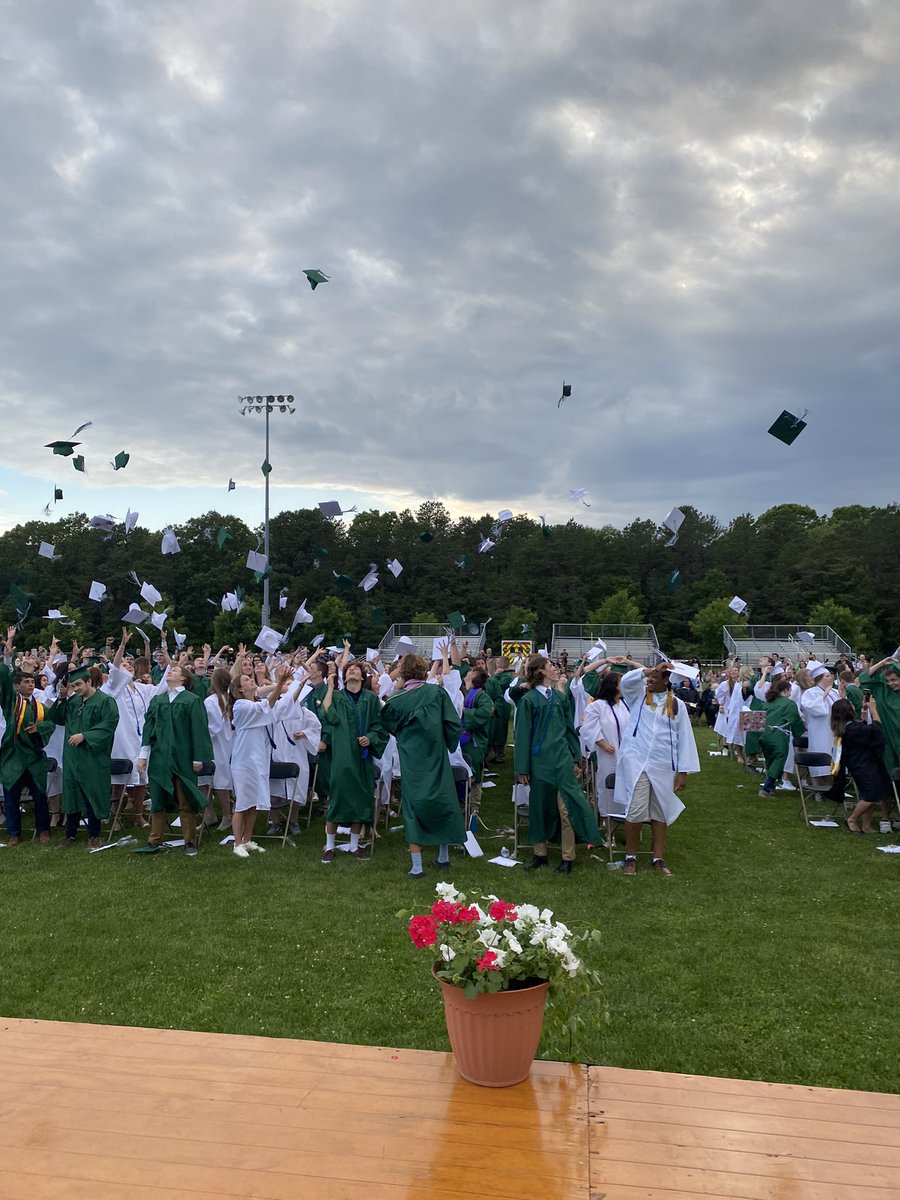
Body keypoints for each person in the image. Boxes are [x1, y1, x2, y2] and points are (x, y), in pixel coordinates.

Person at [612, 660, 700, 875]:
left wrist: (683, 771)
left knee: (660, 812)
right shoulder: (639, 697)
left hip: (663, 765)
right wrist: (648, 671)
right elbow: (626, 682)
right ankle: (630, 857)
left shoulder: (676, 705)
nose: (649, 681)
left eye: (654, 678)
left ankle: (658, 858)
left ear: (667, 681)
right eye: (649, 678)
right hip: (638, 763)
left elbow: (684, 739)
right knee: (635, 810)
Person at [514, 654, 599, 875]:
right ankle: (539, 854)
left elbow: (570, 731)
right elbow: (522, 735)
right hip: (539, 762)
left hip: (562, 760)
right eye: (551, 665)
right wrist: (522, 768)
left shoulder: (561, 699)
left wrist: (575, 758)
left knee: (567, 808)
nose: (556, 668)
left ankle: (568, 856)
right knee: (540, 807)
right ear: (541, 671)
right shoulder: (529, 700)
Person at [381, 653, 464, 878]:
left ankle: (417, 866)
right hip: (435, 756)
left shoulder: (395, 702)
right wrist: (444, 742)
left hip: (411, 759)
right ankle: (443, 855)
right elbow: (453, 724)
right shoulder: (437, 693)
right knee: (442, 800)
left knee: (412, 806)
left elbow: (390, 726)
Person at [137, 662, 213, 856]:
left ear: (184, 679)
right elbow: (149, 729)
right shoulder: (157, 700)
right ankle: (155, 840)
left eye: (176, 671)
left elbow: (199, 730)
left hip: (183, 758)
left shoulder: (192, 700)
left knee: (185, 798)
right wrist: (143, 755)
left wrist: (198, 759)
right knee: (157, 798)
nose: (171, 672)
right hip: (160, 758)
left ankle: (189, 841)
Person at [227, 660, 299, 858]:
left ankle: (248, 840)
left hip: (258, 760)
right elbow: (271, 703)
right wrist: (279, 683)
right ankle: (237, 843)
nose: (251, 681)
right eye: (247, 680)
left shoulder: (257, 704)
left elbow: (280, 707)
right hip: (243, 762)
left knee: (254, 804)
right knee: (242, 804)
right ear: (240, 689)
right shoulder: (241, 706)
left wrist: (298, 686)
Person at [320, 658, 387, 862]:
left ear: (362, 676)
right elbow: (327, 714)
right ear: (344, 675)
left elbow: (380, 726)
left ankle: (354, 846)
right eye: (349, 669)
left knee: (361, 800)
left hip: (362, 758)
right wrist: (330, 687)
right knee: (337, 799)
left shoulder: (371, 698)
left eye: (357, 669)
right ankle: (329, 846)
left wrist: (371, 738)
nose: (353, 671)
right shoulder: (338, 697)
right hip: (342, 756)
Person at [50, 662, 119, 848]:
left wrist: (85, 736)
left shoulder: (105, 702)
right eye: (73, 686)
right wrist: (62, 699)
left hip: (93, 757)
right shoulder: (73, 701)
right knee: (71, 794)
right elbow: (57, 718)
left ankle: (94, 835)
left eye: (79, 685)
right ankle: (69, 834)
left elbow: (109, 725)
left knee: (92, 794)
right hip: (72, 757)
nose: (76, 689)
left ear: (89, 682)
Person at [0, 627, 56, 845]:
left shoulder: (40, 706)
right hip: (13, 756)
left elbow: (51, 722)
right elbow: (4, 680)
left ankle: (43, 829)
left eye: (32, 682)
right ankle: (14, 833)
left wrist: (39, 729)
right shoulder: (10, 703)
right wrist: (8, 655)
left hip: (34, 757)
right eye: (26, 682)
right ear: (18, 686)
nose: (31, 684)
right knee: (12, 796)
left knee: (40, 795)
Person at [830, 696, 892, 834]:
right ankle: (852, 819)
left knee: (869, 794)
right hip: (862, 765)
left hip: (861, 762)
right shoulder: (852, 729)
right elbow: (876, 730)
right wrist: (874, 710)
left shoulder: (848, 727)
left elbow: (863, 726)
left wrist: (864, 710)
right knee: (871, 794)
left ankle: (866, 825)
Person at [579, 669, 630, 825]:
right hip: (608, 754)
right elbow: (587, 728)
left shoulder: (625, 705)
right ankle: (609, 825)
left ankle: (629, 819)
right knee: (609, 788)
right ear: (613, 686)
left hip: (628, 755)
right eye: (622, 684)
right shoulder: (597, 706)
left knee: (628, 786)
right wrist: (602, 743)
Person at [758, 675, 805, 795]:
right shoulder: (789, 704)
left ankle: (771, 786)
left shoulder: (768, 702)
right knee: (779, 760)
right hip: (778, 736)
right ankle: (766, 788)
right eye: (789, 691)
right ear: (785, 691)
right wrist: (799, 733)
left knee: (770, 760)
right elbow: (794, 720)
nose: (790, 693)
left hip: (765, 734)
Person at [459, 667, 494, 821]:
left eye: (468, 673)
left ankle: (474, 807)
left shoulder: (482, 696)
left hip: (474, 741)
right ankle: (462, 804)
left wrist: (463, 711)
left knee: (475, 775)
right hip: (463, 741)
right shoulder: (468, 693)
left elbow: (484, 714)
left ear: (474, 676)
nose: (465, 675)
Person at [799, 664, 840, 788]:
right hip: (819, 731)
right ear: (820, 678)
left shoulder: (835, 692)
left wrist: (843, 696)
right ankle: (816, 786)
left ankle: (832, 786)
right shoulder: (810, 693)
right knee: (818, 755)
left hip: (834, 730)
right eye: (827, 676)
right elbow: (814, 709)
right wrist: (824, 695)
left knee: (834, 756)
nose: (830, 677)